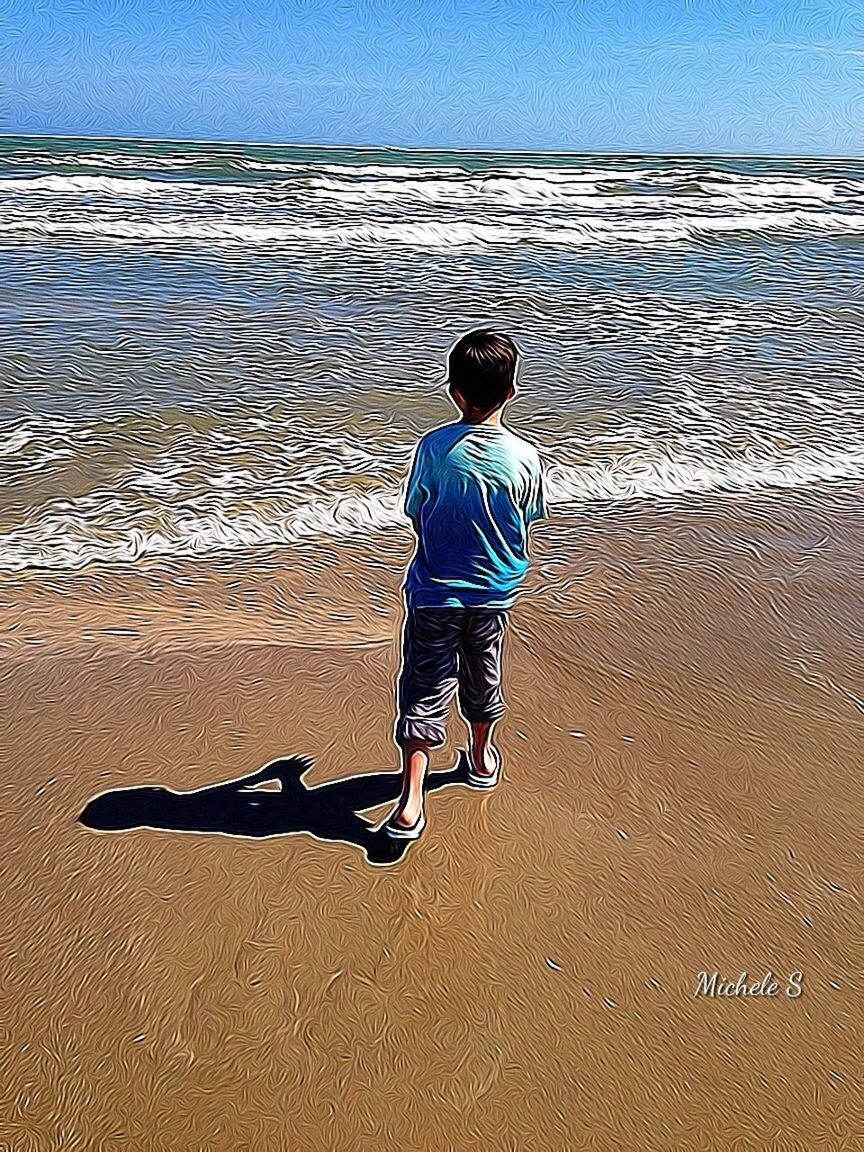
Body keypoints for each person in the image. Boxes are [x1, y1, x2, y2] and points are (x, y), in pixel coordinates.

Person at [384, 329, 546, 841]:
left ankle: (411, 799)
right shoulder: (525, 456)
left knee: (424, 686)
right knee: (484, 674)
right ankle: (478, 757)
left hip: (434, 591)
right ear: (512, 391)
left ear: (455, 393)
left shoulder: (433, 447)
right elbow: (529, 517)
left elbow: (417, 510)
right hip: (494, 591)